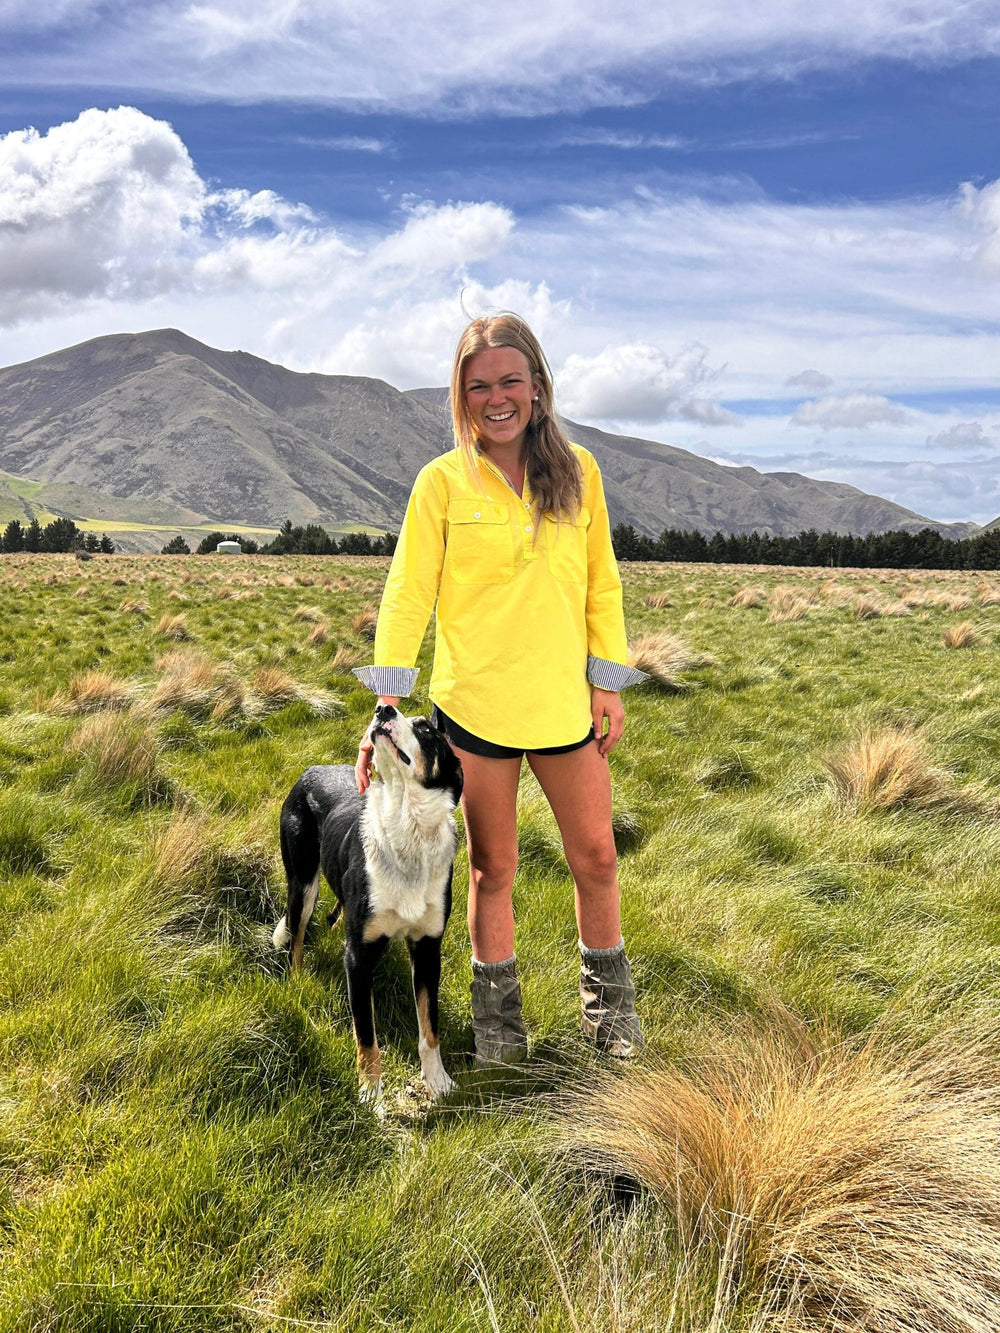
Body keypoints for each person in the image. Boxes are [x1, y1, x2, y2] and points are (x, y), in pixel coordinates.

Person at [353, 313, 646, 1063]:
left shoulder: (580, 472)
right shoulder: (443, 482)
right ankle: (499, 1037)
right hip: (473, 711)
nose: (497, 397)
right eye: (478, 385)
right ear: (462, 396)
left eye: (510, 380)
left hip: (562, 709)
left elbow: (602, 585)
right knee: (494, 871)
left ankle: (611, 1027)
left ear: (538, 387)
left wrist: (606, 683)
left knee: (598, 859)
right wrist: (386, 702)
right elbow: (407, 591)